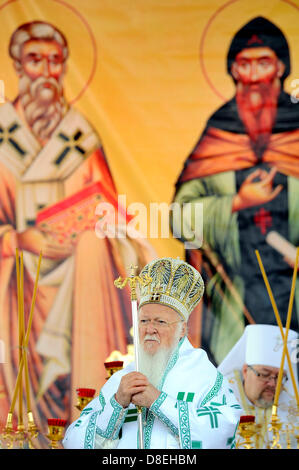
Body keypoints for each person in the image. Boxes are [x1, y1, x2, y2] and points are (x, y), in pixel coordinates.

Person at [0, 21, 154, 445]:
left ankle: (91, 424)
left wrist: (94, 228)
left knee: (94, 245)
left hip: (79, 283)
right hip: (14, 283)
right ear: (17, 65)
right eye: (35, 60)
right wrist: (17, 240)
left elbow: (113, 214)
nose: (46, 71)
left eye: (55, 61)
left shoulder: (79, 136)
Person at [171, 17, 299, 365]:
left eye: (264, 62)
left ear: (281, 67)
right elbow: (181, 217)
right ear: (232, 71)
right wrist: (238, 202)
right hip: (234, 293)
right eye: (245, 64)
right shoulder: (220, 131)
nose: (254, 76)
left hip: (294, 286)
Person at [63, 257, 242, 449]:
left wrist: (158, 402)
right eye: (144, 321)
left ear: (182, 330)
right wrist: (116, 404)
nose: (150, 329)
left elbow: (222, 433)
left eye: (160, 322)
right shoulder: (122, 381)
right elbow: (73, 441)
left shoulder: (204, 378)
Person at [218, 324, 299, 449]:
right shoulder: (217, 402)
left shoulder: (293, 409)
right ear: (245, 371)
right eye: (264, 374)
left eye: (280, 377)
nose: (273, 384)